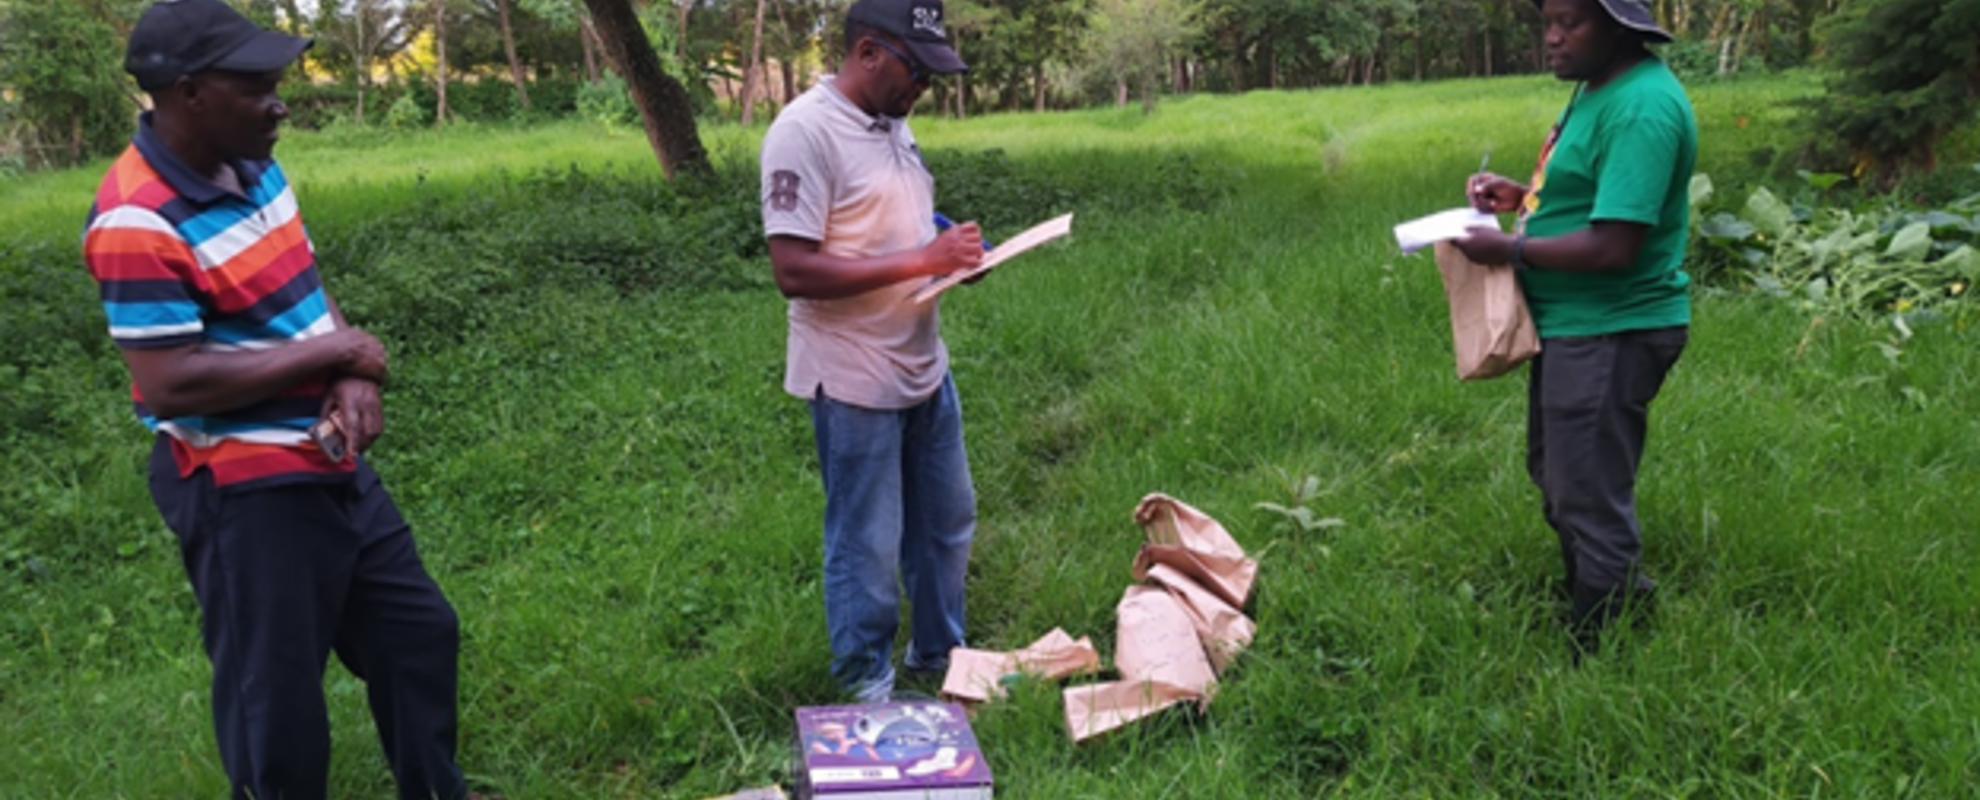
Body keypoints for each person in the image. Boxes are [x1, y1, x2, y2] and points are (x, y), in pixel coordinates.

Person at [83, 2, 483, 797]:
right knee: (279, 707)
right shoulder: (136, 217)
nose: (280, 104)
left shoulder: (255, 165)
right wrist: (338, 350)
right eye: (258, 87)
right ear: (189, 92)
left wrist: (350, 374)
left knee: (417, 637)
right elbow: (170, 379)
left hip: (328, 461)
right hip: (244, 490)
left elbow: (304, 291)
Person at [1451, 0, 1697, 658]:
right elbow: (1585, 194)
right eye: (1548, 21)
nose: (1553, 38)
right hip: (1576, 325)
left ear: (1620, 25)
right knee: (1560, 474)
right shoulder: (1598, 89)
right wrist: (1521, 197)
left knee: (1585, 490)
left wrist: (1509, 251)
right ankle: (1611, 589)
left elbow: (1615, 245)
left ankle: (1602, 645)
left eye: (1571, 23)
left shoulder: (1641, 107)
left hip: (1614, 328)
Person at [758, 0, 985, 702]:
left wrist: (943, 245)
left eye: (929, 75)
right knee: (867, 542)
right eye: (915, 71)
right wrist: (922, 258)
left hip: (922, 363)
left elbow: (890, 221)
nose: (922, 88)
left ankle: (938, 655)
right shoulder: (803, 132)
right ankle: (866, 682)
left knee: (947, 521)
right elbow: (793, 269)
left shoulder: (892, 121)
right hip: (853, 374)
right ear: (867, 53)